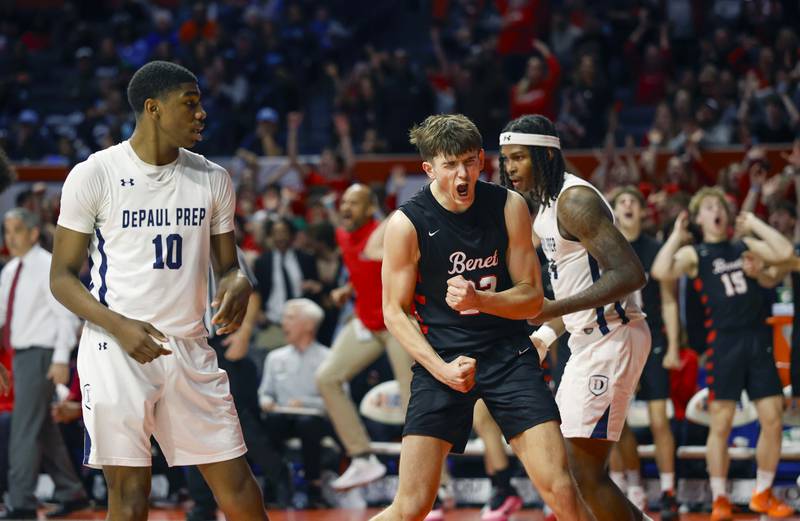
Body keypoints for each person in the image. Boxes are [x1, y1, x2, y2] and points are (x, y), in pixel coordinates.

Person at [49, 60, 268, 521]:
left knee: (239, 487)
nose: (201, 114)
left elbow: (228, 267)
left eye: (200, 104)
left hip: (189, 346)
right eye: (189, 104)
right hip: (116, 349)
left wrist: (239, 283)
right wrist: (119, 326)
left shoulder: (213, 178)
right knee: (129, 499)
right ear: (152, 108)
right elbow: (63, 277)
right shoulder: (95, 174)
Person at [371, 114, 594, 521]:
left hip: (508, 355)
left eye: (471, 161)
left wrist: (482, 299)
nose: (463, 173)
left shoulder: (508, 205)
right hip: (444, 357)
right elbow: (394, 312)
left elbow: (532, 299)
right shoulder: (407, 223)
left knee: (560, 487)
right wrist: (440, 369)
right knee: (411, 506)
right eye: (451, 164)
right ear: (430, 169)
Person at [499, 114, 650, 521]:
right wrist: (548, 333)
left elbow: (631, 274)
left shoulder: (575, 201)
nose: (509, 167)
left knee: (585, 473)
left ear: (545, 155)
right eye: (506, 158)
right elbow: (578, 286)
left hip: (612, 337)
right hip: (586, 340)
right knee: (571, 468)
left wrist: (552, 309)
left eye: (518, 157)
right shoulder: (547, 204)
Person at [651, 187, 794, 521]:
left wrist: (755, 223)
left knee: (772, 418)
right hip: (724, 343)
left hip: (759, 338)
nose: (716, 210)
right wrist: (676, 236)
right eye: (709, 207)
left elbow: (785, 250)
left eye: (720, 206)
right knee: (722, 422)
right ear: (699, 218)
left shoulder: (744, 245)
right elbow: (660, 271)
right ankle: (720, 498)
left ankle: (762, 493)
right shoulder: (695, 254)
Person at [315, 183, 413, 491]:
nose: (346, 207)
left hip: (398, 322)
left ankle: (438, 484)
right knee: (327, 378)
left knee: (413, 401)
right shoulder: (342, 235)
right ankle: (362, 458)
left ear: (370, 208)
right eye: (344, 201)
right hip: (366, 324)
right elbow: (362, 270)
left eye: (354, 203)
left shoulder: (386, 232)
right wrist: (348, 289)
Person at [0, 208, 88, 520]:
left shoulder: (47, 265)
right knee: (42, 428)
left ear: (34, 233)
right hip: (19, 356)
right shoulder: (10, 271)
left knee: (23, 430)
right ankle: (71, 491)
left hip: (42, 354)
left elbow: (65, 315)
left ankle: (21, 502)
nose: (10, 237)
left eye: (17, 230)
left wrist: (62, 358)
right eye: (7, 231)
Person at [609, 186, 681, 520]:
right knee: (616, 421)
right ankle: (629, 485)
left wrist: (675, 347)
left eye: (632, 202)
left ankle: (668, 491)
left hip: (653, 340)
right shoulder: (606, 249)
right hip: (619, 341)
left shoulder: (654, 249)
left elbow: (668, 299)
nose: (626, 206)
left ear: (641, 211)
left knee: (658, 420)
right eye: (620, 202)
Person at [259, 298, 332, 508]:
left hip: (315, 418)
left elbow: (337, 402)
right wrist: (266, 401)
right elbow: (265, 392)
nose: (284, 323)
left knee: (308, 424)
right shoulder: (275, 357)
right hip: (281, 415)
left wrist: (306, 402)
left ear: (308, 325)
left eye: (290, 318)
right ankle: (274, 482)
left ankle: (314, 487)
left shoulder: (329, 358)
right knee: (270, 422)